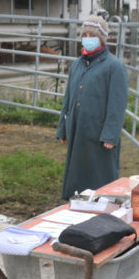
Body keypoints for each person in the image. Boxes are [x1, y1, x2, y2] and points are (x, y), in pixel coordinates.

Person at [56, 14, 129, 199]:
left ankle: (102, 208)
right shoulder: (77, 65)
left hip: (99, 135)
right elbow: (68, 98)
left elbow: (117, 104)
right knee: (77, 173)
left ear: (102, 38)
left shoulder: (114, 67)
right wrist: (63, 128)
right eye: (85, 34)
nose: (87, 38)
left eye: (92, 35)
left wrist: (111, 135)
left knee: (100, 178)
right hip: (77, 130)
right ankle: (77, 203)